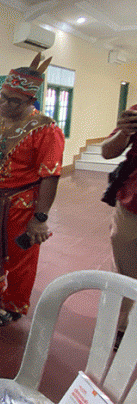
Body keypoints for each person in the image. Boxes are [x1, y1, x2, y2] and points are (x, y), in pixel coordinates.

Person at [0, 53, 65, 326]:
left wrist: (40, 217)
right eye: (3, 97)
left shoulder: (45, 129)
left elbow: (50, 175)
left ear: (31, 100)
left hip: (21, 202)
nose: (6, 104)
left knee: (20, 256)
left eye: (14, 101)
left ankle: (14, 303)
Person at [101, 104, 137, 341]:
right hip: (133, 206)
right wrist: (124, 132)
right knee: (126, 270)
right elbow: (107, 151)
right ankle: (123, 327)